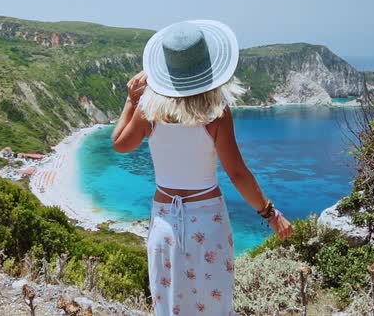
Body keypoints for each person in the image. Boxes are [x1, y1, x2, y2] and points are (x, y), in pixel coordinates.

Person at [111, 19, 293, 316]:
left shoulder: (148, 110)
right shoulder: (217, 113)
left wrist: (131, 101)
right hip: (208, 222)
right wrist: (270, 213)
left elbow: (119, 143)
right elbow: (237, 173)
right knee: (214, 306)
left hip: (165, 221)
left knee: (169, 306)